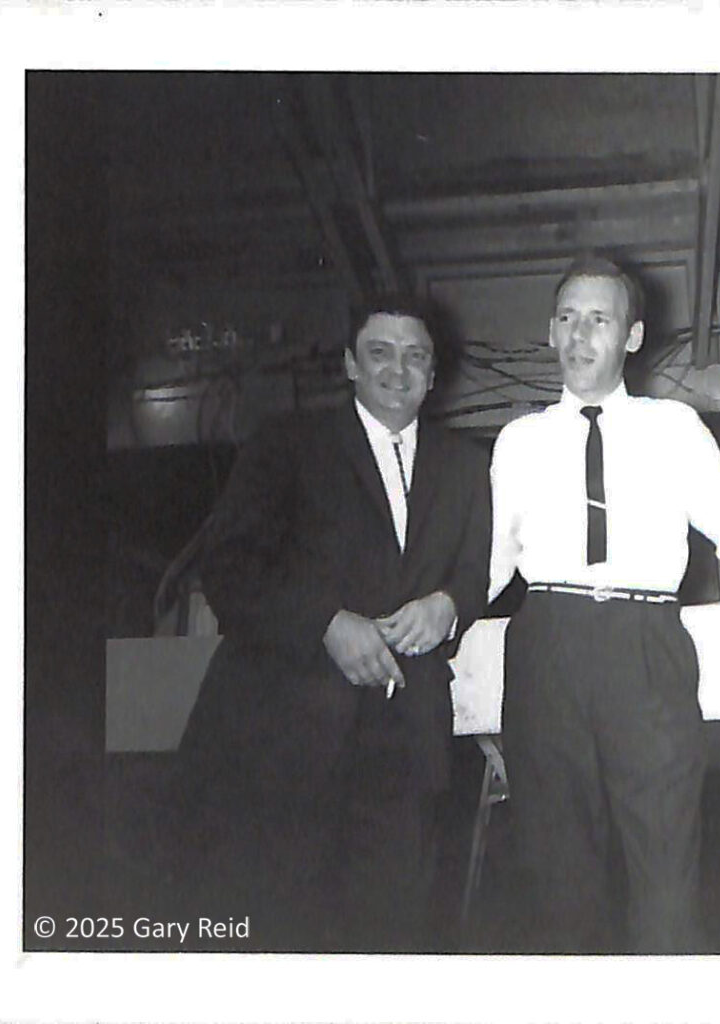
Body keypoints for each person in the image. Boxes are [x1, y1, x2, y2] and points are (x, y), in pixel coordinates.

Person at [177, 293, 491, 951]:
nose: (397, 371)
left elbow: (472, 572)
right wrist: (322, 621)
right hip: (286, 748)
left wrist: (450, 606)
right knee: (283, 943)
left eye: (415, 357)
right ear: (350, 363)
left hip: (404, 752)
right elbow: (226, 567)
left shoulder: (466, 467)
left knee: (391, 943)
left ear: (434, 374)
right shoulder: (287, 445)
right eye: (379, 353)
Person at [488, 255, 720, 953]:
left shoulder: (675, 427)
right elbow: (487, 565)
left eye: (598, 319)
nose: (579, 334)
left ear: (631, 336)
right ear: (549, 332)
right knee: (557, 871)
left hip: (645, 644)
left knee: (665, 868)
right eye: (567, 318)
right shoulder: (519, 440)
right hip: (547, 642)